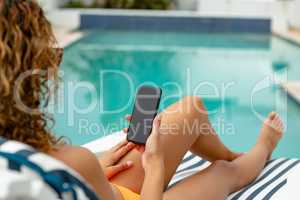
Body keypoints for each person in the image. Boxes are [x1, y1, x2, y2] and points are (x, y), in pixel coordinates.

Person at [0, 1, 284, 200]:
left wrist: (93, 168)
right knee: (223, 173)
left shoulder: (28, 158)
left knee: (191, 108)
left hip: (100, 185)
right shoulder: (71, 161)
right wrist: (155, 165)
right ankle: (264, 146)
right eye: (50, 56)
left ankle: (231, 154)